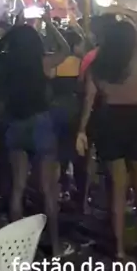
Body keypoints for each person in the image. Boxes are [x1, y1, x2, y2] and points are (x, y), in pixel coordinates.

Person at [76, 18, 137, 259]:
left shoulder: (98, 67)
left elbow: (88, 101)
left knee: (117, 189)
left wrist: (82, 131)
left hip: (109, 123)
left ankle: (118, 249)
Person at [0, 17, 70, 253]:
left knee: (18, 187)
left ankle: (18, 248)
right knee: (48, 188)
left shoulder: (7, 63)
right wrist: (50, 23)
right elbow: (66, 49)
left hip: (15, 122)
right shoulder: (43, 62)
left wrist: (15, 29)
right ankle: (55, 245)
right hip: (40, 122)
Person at [49, 29, 85, 202]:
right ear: (74, 45)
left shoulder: (55, 62)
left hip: (55, 107)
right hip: (75, 108)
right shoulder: (80, 63)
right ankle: (79, 192)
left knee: (57, 151)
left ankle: (60, 188)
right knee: (77, 152)